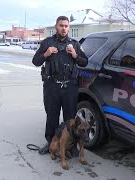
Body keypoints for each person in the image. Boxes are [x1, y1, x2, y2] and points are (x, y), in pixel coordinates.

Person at [32, 16, 88, 155]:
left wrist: (75, 55)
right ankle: (51, 142)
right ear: (56, 27)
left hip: (70, 87)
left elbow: (84, 62)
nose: (64, 28)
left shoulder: (74, 44)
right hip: (52, 86)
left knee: (70, 118)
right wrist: (46, 54)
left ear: (68, 28)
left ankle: (71, 146)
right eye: (61, 25)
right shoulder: (47, 43)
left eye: (66, 26)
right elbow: (35, 61)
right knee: (52, 116)